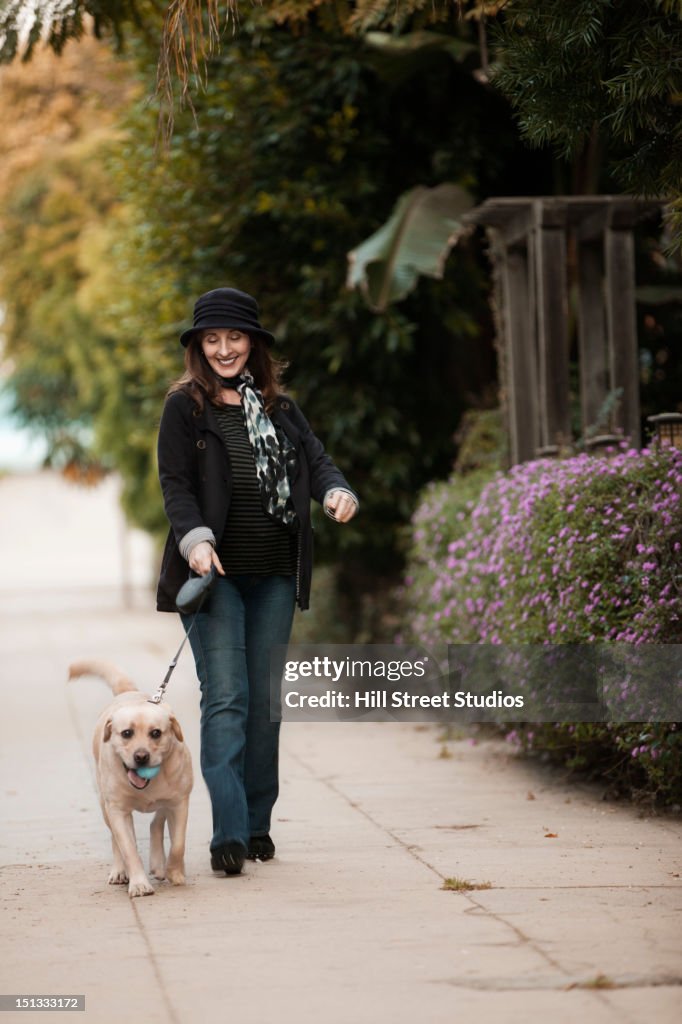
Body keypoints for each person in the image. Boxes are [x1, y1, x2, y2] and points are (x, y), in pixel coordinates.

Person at [156, 287, 358, 876]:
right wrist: (195, 541)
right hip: (214, 576)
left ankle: (257, 823)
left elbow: (317, 463)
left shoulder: (281, 410)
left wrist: (338, 492)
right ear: (198, 346)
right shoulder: (184, 409)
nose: (224, 349)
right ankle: (227, 835)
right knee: (227, 698)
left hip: (273, 575)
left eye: (235, 337)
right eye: (212, 339)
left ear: (253, 344)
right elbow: (176, 486)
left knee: (262, 705)